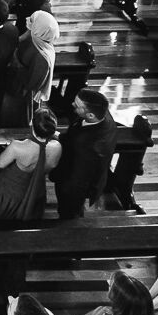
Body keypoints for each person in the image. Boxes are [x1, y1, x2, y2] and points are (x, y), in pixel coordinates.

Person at [0, 106, 62, 224]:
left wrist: (11, 150)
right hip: (36, 189)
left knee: (0, 222)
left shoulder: (17, 146)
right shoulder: (57, 147)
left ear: (31, 123)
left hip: (12, 191)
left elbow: (0, 164)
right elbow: (51, 165)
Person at [53, 88, 119, 220]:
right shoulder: (102, 114)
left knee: (69, 212)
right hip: (77, 162)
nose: (72, 105)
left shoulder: (89, 148)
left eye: (77, 106)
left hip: (74, 185)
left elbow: (79, 179)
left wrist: (65, 188)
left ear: (90, 116)